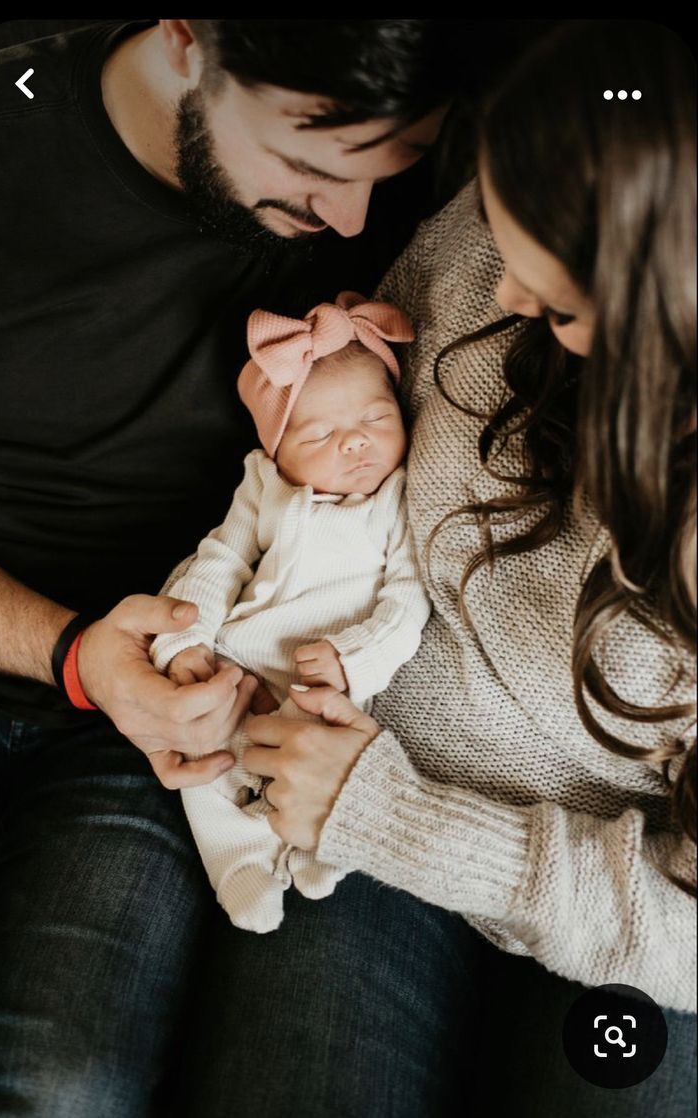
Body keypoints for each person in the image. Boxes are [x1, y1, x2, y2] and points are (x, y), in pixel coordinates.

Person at [170, 20, 694, 1117]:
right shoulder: (498, 234)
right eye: (498, 242)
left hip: (596, 900)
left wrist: (401, 820)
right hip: (347, 763)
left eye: (555, 307)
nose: (501, 300)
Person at [0, 18, 460, 1114]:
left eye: (393, 165)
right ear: (187, 37)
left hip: (191, 706)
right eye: (309, 166)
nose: (352, 221)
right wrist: (69, 652)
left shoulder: (407, 174)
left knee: (55, 1086)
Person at [149, 292, 430, 933]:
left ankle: (314, 846)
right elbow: (219, 561)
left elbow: (408, 600)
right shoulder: (265, 486)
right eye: (320, 434)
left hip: (327, 683)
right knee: (202, 753)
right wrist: (185, 641)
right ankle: (239, 862)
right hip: (241, 662)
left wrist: (351, 658)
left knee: (323, 753)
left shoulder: (396, 497)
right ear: (277, 450)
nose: (355, 441)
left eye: (377, 418)